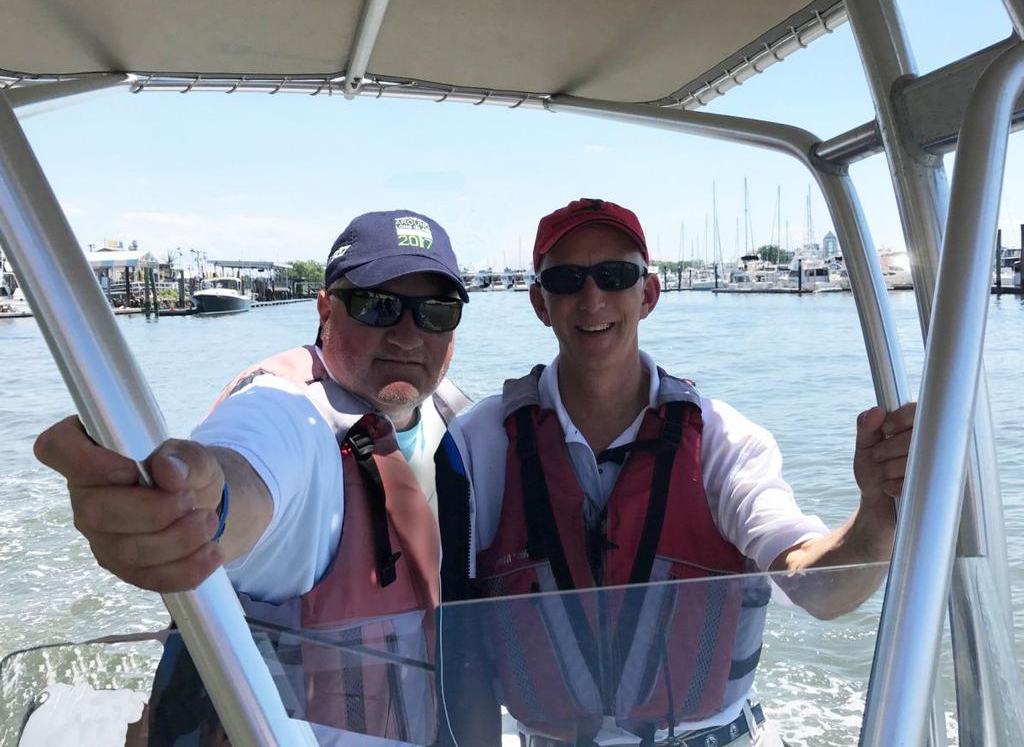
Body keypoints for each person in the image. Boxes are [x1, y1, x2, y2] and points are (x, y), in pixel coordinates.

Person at [434, 198, 915, 747]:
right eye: (567, 279)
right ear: (540, 302)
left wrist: (877, 510)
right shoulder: (478, 444)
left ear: (649, 294)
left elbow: (821, 591)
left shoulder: (725, 440)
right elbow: (454, 634)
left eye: (616, 275)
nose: (592, 298)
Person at [34, 210, 471, 746]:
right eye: (377, 306)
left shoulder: (461, 422)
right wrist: (195, 507)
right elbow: (246, 470)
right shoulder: (290, 413)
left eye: (435, 311)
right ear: (325, 312)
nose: (408, 335)